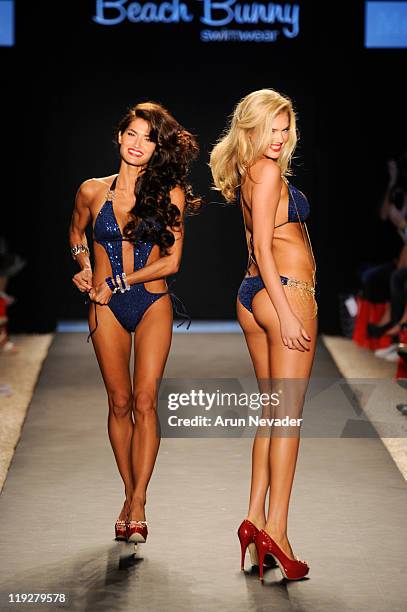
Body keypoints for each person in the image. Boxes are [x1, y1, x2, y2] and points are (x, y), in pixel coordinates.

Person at [69, 101, 200, 545]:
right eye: (133, 134)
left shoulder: (170, 192)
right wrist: (83, 264)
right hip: (104, 305)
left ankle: (139, 502)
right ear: (119, 137)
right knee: (119, 402)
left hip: (151, 303)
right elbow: (75, 233)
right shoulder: (91, 190)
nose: (139, 144)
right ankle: (128, 494)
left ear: (157, 147)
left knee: (145, 401)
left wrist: (118, 280)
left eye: (149, 138)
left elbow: (173, 261)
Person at [210, 89, 317, 581]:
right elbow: (267, 250)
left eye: (283, 129)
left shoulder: (250, 170)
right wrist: (289, 312)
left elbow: (256, 244)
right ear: (250, 128)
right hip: (283, 294)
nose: (278, 138)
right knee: (288, 420)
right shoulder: (268, 171)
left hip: (252, 293)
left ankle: (254, 519)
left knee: (272, 413)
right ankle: (279, 530)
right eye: (269, 129)